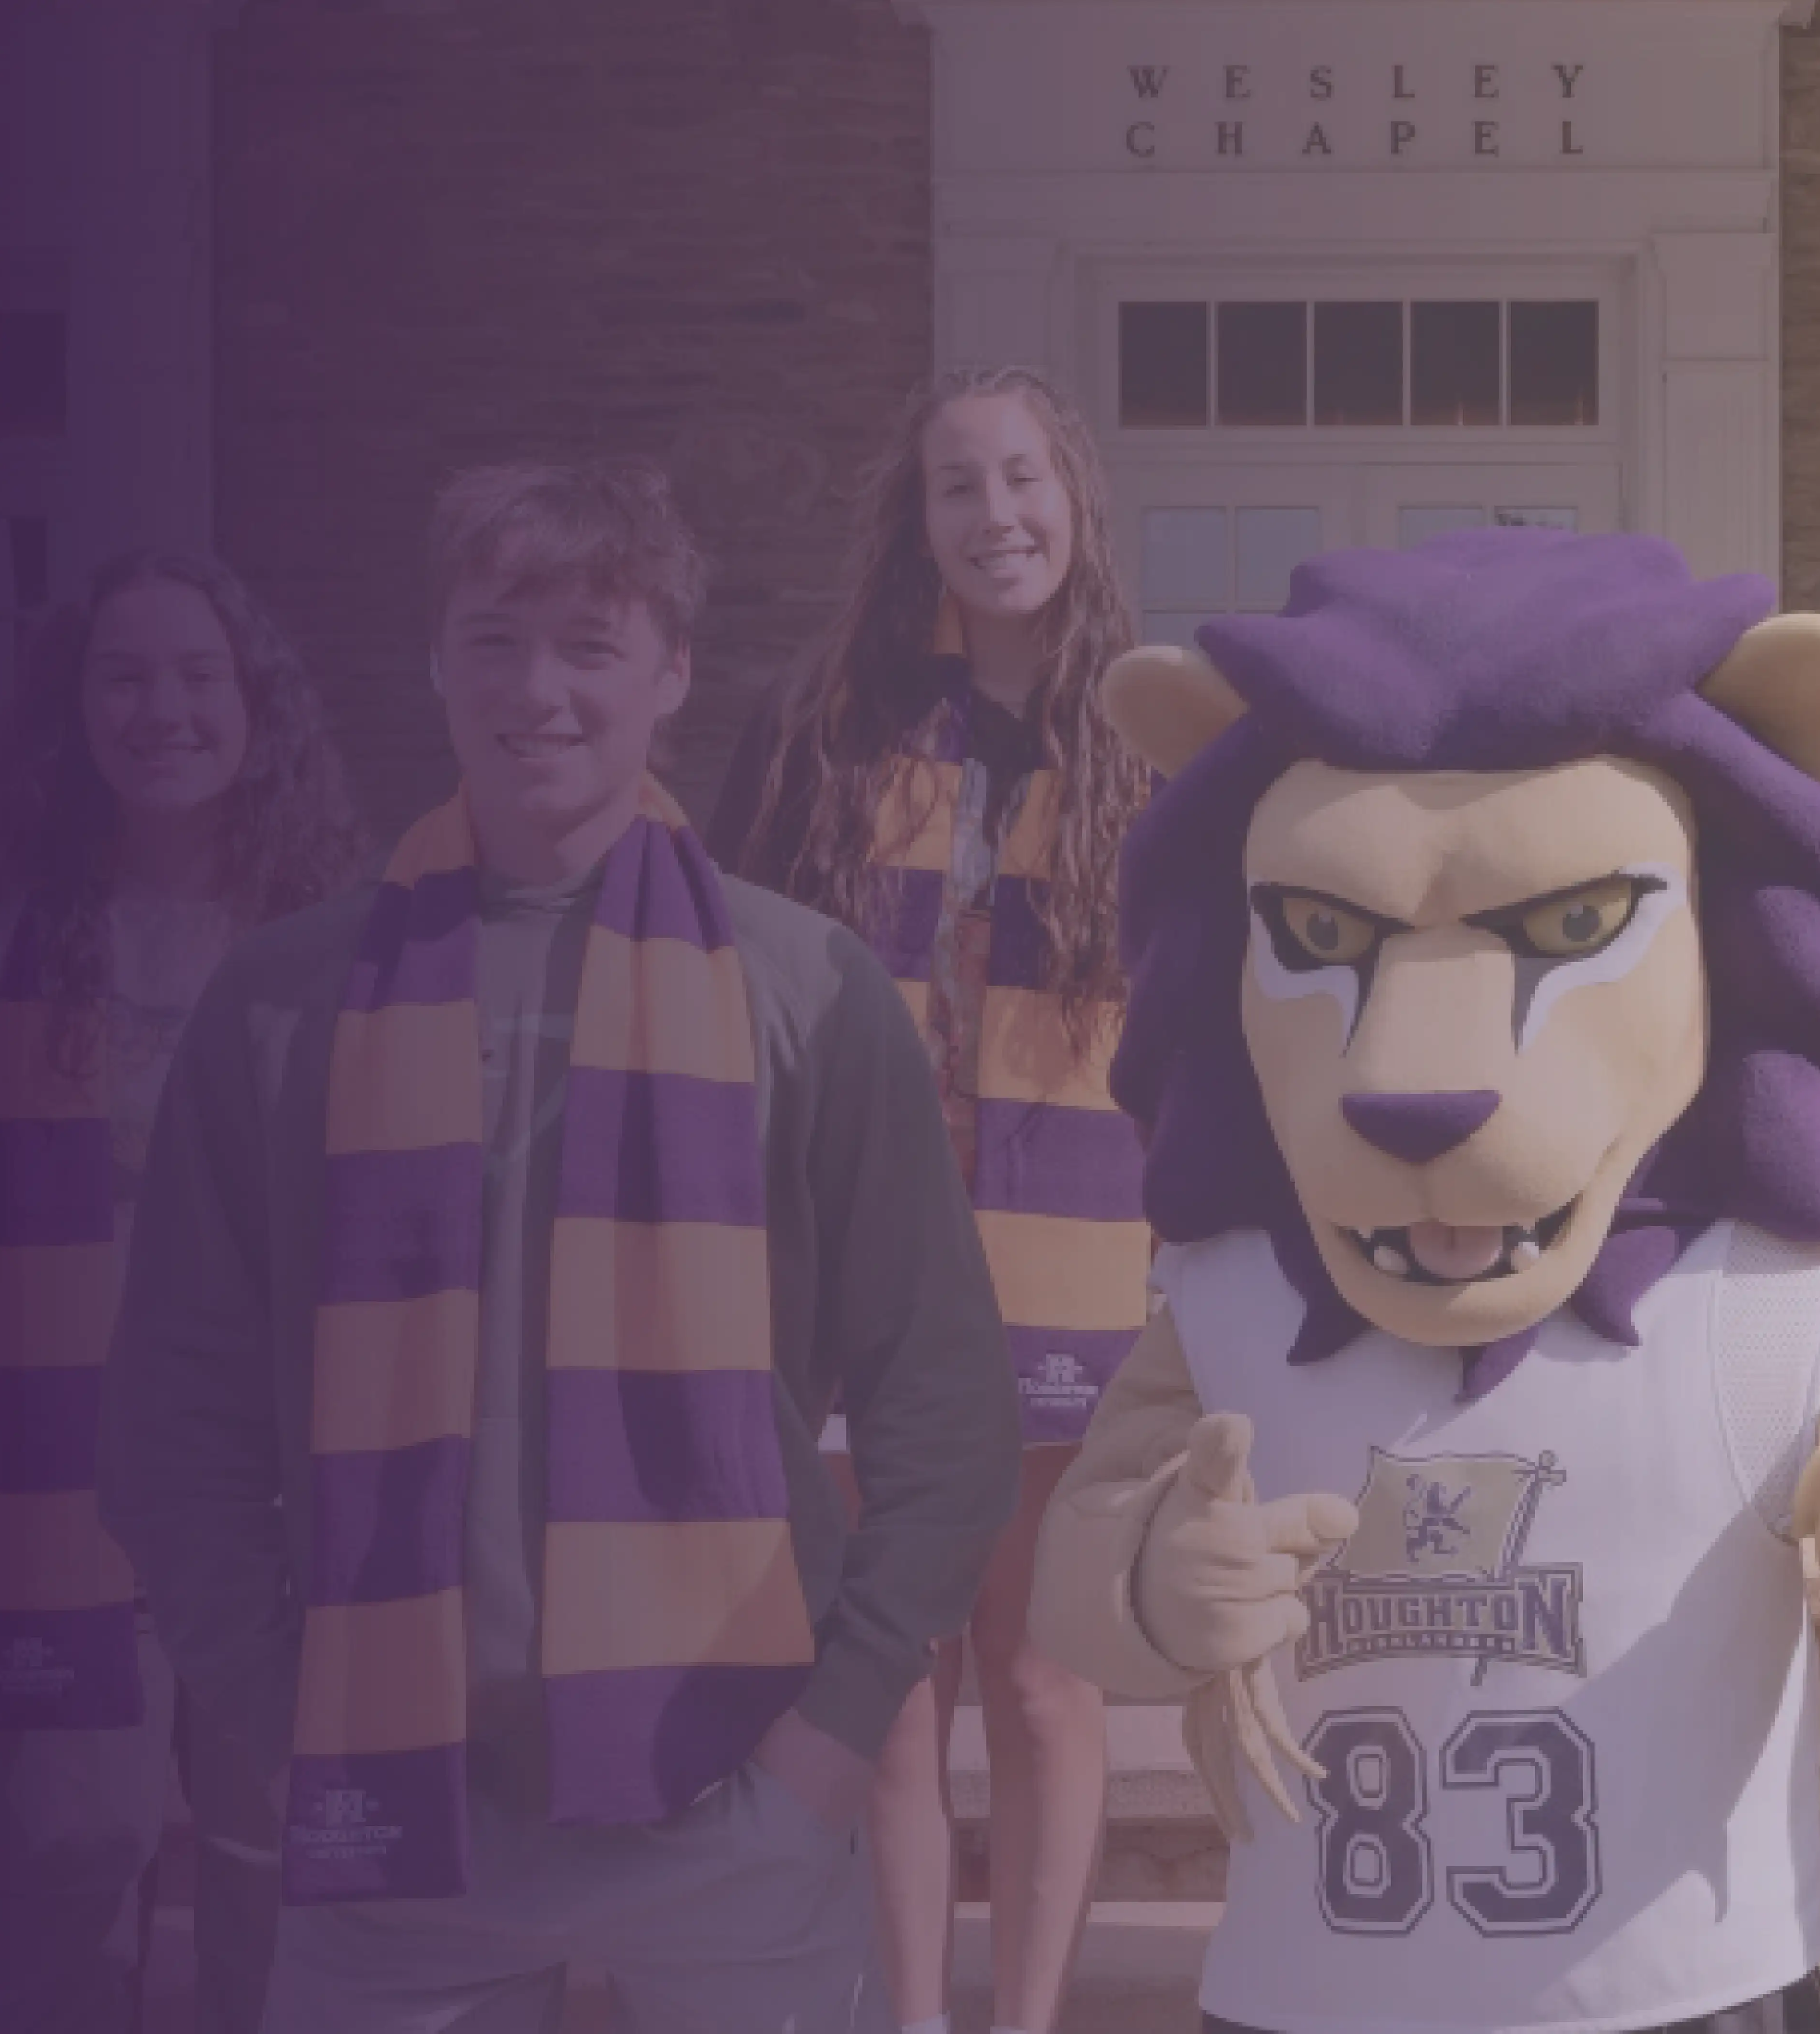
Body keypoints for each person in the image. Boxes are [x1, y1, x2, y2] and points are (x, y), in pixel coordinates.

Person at [1028, 529, 1820, 2034]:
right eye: (1322, 935)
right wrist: (1151, 1576)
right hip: (1312, 2000)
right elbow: (1079, 1572)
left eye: (1575, 924)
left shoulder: (1773, 1287)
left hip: (1685, 1998)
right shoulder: (1229, 1293)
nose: (1415, 1071)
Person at [96, 460, 1018, 2034]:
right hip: (388, 1819)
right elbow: (172, 1410)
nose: (538, 691)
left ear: (671, 671)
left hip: (737, 1800)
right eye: (494, 641)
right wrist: (273, 1714)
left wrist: (835, 1733)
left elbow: (944, 1396)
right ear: (433, 661)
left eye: (590, 644)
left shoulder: (808, 990)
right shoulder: (283, 1002)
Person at [0, 549, 361, 2033]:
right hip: (43, 1501)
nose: (162, 710)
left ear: (256, 704)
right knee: (53, 1882)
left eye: (198, 675)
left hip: (281, 1499)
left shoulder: (348, 946)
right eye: (122, 676)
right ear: (69, 708)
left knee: (299, 1897)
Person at [713, 365, 1150, 2034]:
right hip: (862, 1267)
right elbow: (736, 986)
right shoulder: (823, 730)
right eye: (957, 485)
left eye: (1022, 478)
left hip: (1074, 1260)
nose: (996, 515)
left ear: (1074, 498)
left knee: (1039, 1681)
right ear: (916, 520)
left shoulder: (1150, 739)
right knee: (891, 1686)